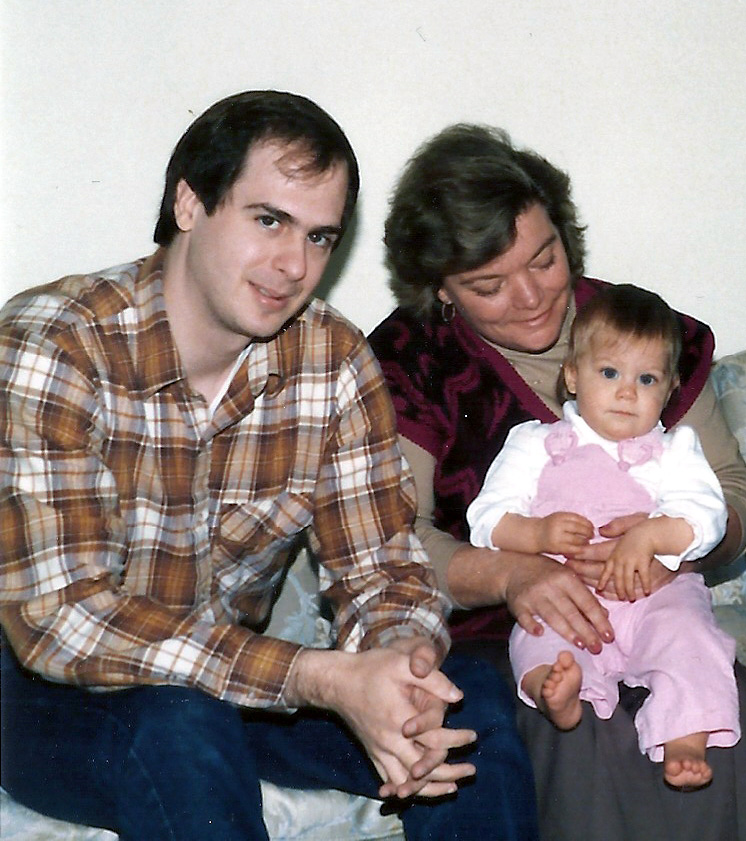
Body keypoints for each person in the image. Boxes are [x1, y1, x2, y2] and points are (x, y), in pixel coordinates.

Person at [0, 93, 539, 841]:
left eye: (319, 236)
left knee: (466, 696)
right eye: (268, 220)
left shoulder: (332, 358)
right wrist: (316, 676)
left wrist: (399, 667)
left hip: (241, 690)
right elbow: (62, 619)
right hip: (50, 699)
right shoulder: (54, 348)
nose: (294, 265)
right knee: (183, 722)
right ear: (190, 203)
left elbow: (384, 568)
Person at [368, 123, 746, 840]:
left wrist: (673, 546)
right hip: (503, 631)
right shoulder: (408, 363)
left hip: (658, 602)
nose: (531, 296)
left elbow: (731, 488)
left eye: (545, 259)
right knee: (576, 725)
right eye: (488, 285)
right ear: (440, 289)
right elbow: (388, 538)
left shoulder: (638, 332)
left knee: (715, 706)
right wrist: (515, 573)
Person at [467, 283, 740, 790]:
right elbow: (486, 520)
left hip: (655, 597)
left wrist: (651, 536)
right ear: (572, 375)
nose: (627, 392)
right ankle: (559, 693)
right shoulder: (535, 444)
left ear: (671, 389)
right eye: (610, 373)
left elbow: (707, 517)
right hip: (570, 595)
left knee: (692, 640)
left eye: (646, 378)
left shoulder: (675, 450)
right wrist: (535, 532)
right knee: (537, 634)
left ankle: (684, 734)